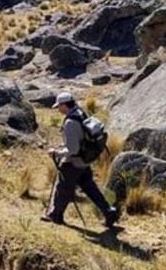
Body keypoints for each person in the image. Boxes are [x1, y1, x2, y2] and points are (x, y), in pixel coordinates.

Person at [43, 91, 120, 228]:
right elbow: (80, 138)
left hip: (73, 162)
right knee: (90, 188)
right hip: (85, 160)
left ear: (64, 105)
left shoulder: (70, 122)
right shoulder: (80, 113)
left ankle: (55, 215)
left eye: (59, 106)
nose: (58, 109)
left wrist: (56, 152)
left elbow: (73, 150)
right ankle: (109, 212)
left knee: (62, 188)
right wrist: (64, 146)